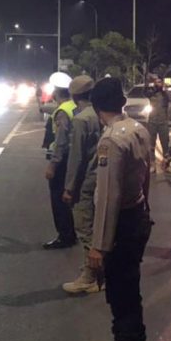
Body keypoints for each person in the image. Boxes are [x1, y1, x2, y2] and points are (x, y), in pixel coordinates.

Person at [85, 77, 153, 341]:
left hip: (121, 223)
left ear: (97, 107)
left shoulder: (111, 141)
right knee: (126, 289)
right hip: (136, 215)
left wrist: (99, 245)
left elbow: (109, 197)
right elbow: (146, 179)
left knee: (121, 294)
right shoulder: (139, 129)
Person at [61, 76, 104, 293]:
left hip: (86, 180)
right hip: (103, 177)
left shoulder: (81, 120)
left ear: (74, 95)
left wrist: (69, 187)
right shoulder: (100, 114)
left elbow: (76, 157)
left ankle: (90, 276)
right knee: (99, 226)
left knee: (85, 227)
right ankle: (99, 271)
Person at [42, 78, 76, 249]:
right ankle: (72, 232)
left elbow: (61, 140)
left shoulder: (62, 111)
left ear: (56, 92)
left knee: (58, 198)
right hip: (74, 158)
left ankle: (65, 236)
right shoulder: (74, 107)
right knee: (70, 197)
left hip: (62, 159)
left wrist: (52, 165)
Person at [145, 76, 171, 173]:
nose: (158, 84)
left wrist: (165, 89)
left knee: (165, 144)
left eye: (160, 82)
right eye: (156, 82)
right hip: (152, 121)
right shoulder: (152, 93)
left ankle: (166, 163)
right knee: (151, 145)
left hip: (163, 122)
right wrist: (147, 80)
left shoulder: (165, 94)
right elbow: (145, 92)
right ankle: (152, 164)